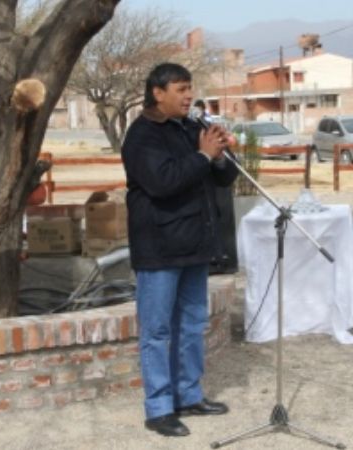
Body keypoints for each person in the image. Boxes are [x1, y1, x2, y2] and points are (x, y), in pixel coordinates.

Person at [121, 63, 238, 437]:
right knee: (157, 330)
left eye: (190, 88)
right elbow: (162, 182)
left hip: (195, 244)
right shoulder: (142, 136)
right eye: (180, 88)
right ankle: (158, 408)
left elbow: (223, 178)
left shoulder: (192, 129)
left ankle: (189, 395)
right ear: (158, 92)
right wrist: (203, 157)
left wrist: (218, 155)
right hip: (158, 246)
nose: (188, 96)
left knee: (191, 325)